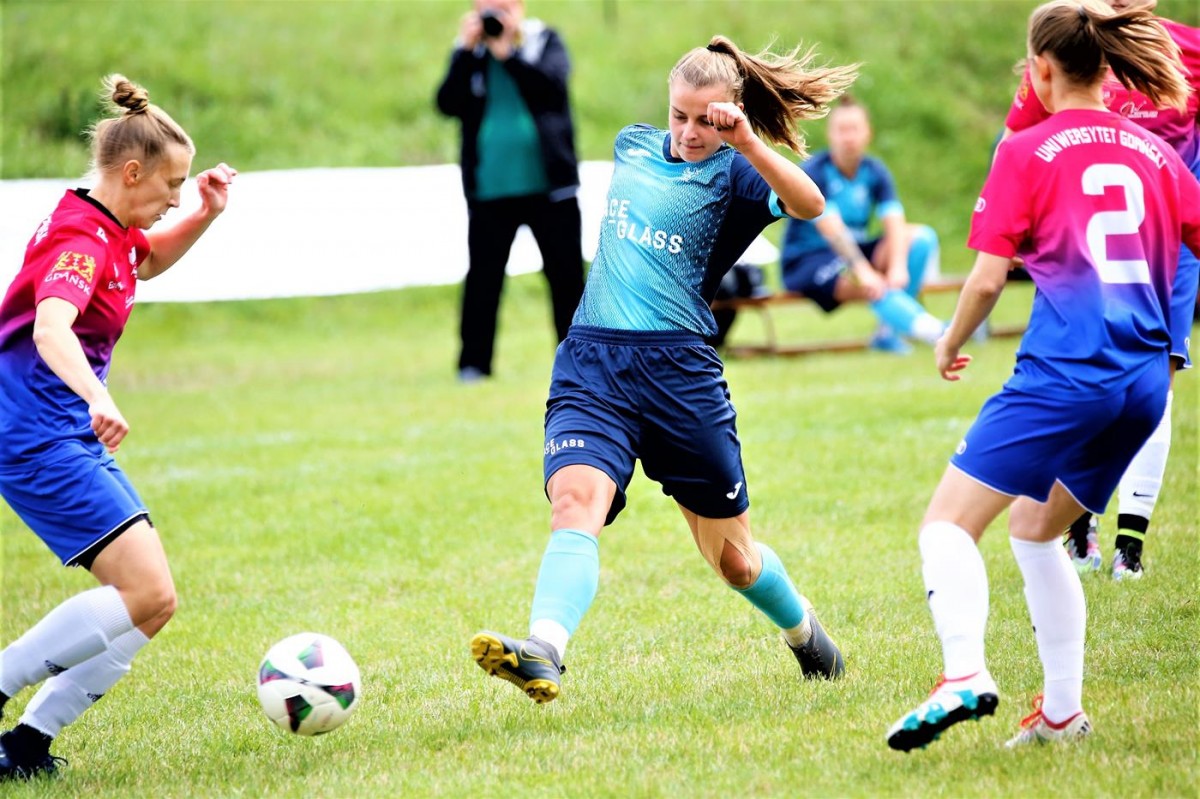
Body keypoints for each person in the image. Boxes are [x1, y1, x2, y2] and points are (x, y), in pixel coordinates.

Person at [468, 35, 859, 703]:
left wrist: (749, 143)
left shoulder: (738, 173)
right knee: (575, 502)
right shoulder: (633, 145)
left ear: (732, 115)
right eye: (680, 114)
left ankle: (805, 633)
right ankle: (544, 649)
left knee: (736, 562)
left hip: (680, 377)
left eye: (707, 119)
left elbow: (811, 204)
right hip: (593, 363)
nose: (689, 131)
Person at [886, 0, 1200, 752]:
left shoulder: (1027, 150)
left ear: (1042, 70)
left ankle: (963, 674)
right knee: (1033, 530)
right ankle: (1062, 714)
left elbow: (988, 279)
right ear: (1109, 68)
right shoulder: (1156, 152)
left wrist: (948, 341)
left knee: (946, 525)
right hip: (1143, 384)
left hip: (1069, 373)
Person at [0, 74, 236, 779]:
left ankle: (25, 747)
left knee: (154, 604)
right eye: (173, 184)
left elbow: (148, 258)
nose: (176, 197)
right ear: (132, 172)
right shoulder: (80, 240)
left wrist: (206, 214)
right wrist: (97, 395)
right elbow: (51, 328)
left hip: (60, 428)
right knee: (146, 594)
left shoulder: (111, 226)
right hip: (33, 432)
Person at [1000, 0, 1200, 580]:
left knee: (1155, 379)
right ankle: (1079, 525)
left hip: (1168, 246)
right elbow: (1016, 138)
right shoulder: (1066, 50)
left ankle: (1129, 545)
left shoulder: (1187, 49)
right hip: (1082, 244)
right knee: (1079, 375)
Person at [435, 0, 585, 382]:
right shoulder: (470, 53)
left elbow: (551, 89)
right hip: (491, 188)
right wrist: (465, 51)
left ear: (519, 8)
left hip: (550, 187)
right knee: (482, 281)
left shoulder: (544, 41)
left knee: (567, 279)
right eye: (487, 9)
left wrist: (509, 54)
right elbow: (447, 103)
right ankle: (473, 364)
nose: (494, 17)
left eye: (502, 8)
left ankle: (578, 364)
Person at [777, 95, 945, 355]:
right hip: (809, 260)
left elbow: (894, 220)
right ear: (830, 135)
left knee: (921, 238)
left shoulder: (874, 171)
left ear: (868, 133)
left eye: (854, 129)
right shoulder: (815, 171)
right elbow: (832, 230)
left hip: (853, 250)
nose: (849, 137)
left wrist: (898, 265)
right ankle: (940, 333)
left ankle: (888, 333)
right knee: (872, 283)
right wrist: (864, 270)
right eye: (842, 130)